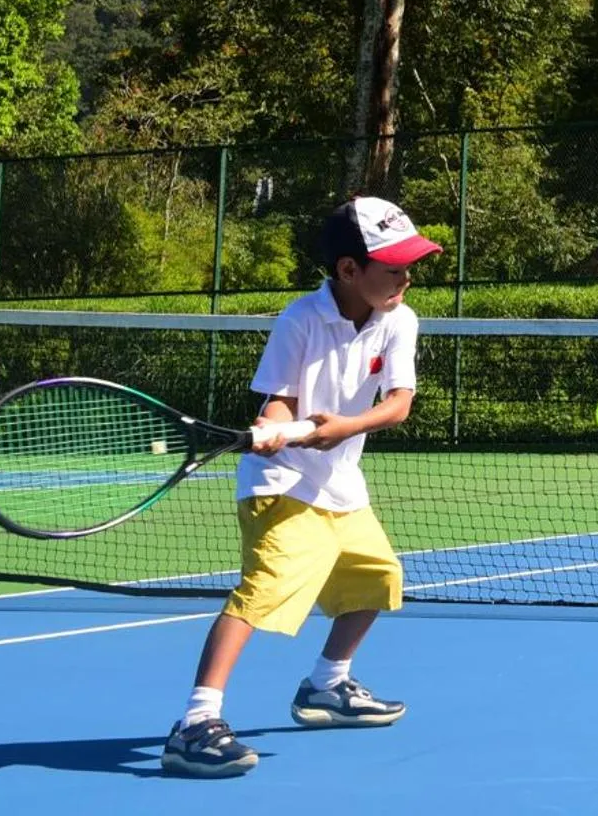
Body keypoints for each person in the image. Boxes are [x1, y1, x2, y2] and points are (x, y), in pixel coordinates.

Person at [160, 195, 441, 778]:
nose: (406, 276)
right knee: (264, 590)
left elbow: (398, 405)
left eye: (410, 264)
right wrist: (274, 427)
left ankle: (325, 687)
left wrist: (339, 430)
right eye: (394, 266)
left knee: (378, 578)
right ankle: (195, 723)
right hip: (281, 483)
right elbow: (280, 400)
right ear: (347, 270)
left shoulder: (400, 320)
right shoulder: (299, 320)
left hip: (341, 483)